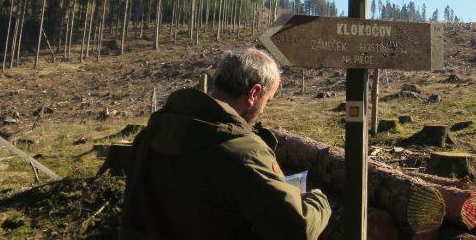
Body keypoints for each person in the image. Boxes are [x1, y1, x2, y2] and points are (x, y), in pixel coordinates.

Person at [120, 48, 331, 239]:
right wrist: (318, 201)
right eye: (267, 100)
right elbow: (296, 229)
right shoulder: (244, 151)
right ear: (254, 93)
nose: (264, 109)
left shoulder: (152, 133)